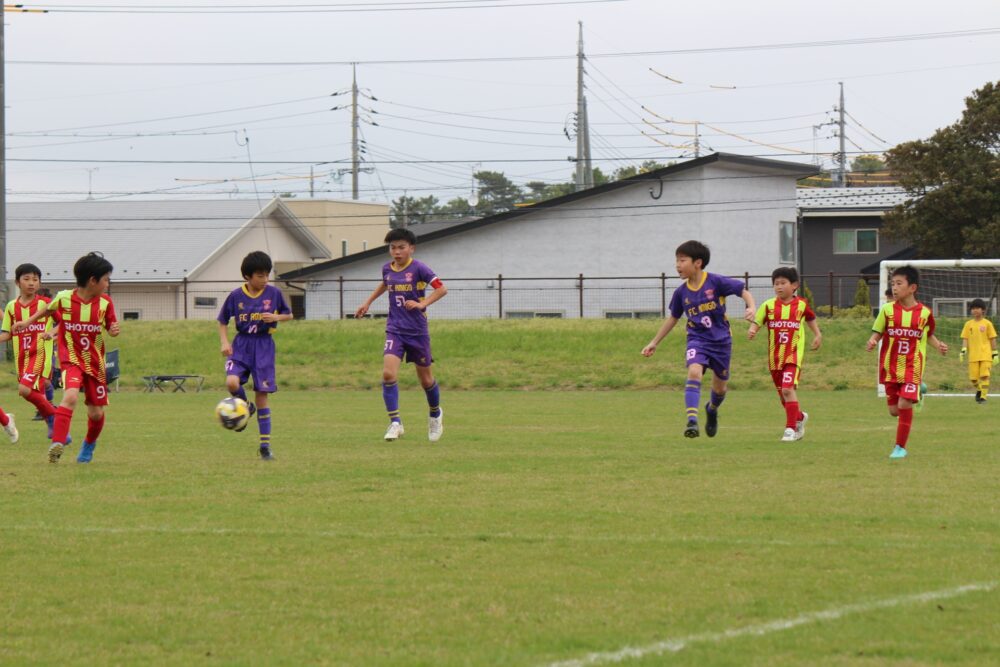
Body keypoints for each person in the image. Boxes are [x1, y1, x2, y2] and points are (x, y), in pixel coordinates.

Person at [642, 240, 756, 439]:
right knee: (694, 371)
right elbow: (673, 318)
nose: (677, 265)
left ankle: (711, 409)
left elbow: (743, 291)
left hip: (721, 342)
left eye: (682, 260)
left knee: (720, 389)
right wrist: (654, 342)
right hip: (697, 339)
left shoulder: (715, 282)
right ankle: (692, 421)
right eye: (677, 261)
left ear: (698, 263)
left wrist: (751, 306)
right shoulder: (681, 293)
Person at [13, 252, 120, 463]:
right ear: (92, 280)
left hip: (95, 363)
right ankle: (58, 443)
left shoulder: (105, 303)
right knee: (70, 397)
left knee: (96, 413)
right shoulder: (64, 298)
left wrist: (114, 330)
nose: (107, 284)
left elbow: (111, 327)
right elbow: (47, 310)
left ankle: (88, 444)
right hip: (71, 358)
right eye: (106, 279)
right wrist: (27, 322)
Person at [355, 228, 448, 442]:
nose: (396, 252)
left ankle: (435, 414)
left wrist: (422, 304)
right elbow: (386, 283)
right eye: (393, 247)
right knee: (388, 374)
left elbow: (441, 289)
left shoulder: (419, 268)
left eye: (401, 247)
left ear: (411, 248)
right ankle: (395, 423)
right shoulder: (387, 269)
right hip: (395, 329)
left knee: (426, 380)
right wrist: (367, 303)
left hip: (417, 332)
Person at [217, 251, 293, 461]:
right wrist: (224, 342)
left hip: (264, 346)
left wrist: (276, 317)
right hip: (241, 345)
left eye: (267, 275)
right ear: (247, 276)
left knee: (262, 395)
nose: (265, 279)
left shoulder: (274, 293)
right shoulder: (236, 296)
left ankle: (265, 447)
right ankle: (245, 406)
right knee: (232, 382)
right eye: (260, 275)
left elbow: (289, 314)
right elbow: (222, 320)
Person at [866, 265, 947, 460]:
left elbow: (928, 334)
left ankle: (900, 447)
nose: (894, 287)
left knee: (904, 403)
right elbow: (878, 332)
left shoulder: (925, 313)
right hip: (890, 367)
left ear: (912, 288)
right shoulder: (887, 310)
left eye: (899, 283)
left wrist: (938, 345)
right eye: (892, 283)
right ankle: (919, 390)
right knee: (894, 411)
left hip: (912, 366)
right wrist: (873, 340)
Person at [747, 267, 822, 442]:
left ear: (794, 285)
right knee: (784, 396)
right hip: (775, 359)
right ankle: (800, 418)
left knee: (788, 389)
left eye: (783, 283)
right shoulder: (768, 305)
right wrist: (752, 330)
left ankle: (790, 429)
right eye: (776, 283)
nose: (779, 286)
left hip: (793, 356)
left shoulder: (801, 304)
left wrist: (817, 334)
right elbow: (757, 321)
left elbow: (810, 318)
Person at [0, 264, 62, 443]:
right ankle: (54, 424)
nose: (31, 283)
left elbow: (63, 323)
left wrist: (52, 333)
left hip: (41, 354)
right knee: (35, 394)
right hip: (23, 358)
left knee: (24, 389)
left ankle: (56, 419)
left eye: (35, 279)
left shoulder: (45, 304)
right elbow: (8, 333)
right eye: (26, 279)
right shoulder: (11, 307)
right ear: (17, 282)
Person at [959, 298, 998, 404]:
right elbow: (965, 338)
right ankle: (980, 389)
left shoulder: (987, 324)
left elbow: (992, 338)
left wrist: (995, 353)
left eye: (977, 308)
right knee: (973, 379)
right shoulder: (968, 324)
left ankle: (983, 397)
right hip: (973, 356)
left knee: (985, 376)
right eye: (973, 308)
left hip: (986, 355)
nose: (975, 310)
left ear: (983, 310)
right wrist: (963, 350)